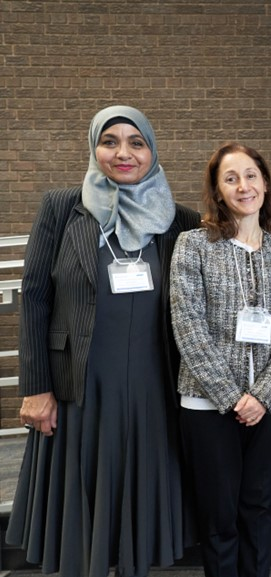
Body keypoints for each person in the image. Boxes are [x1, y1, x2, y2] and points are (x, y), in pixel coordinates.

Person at [6, 105, 200, 577]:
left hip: (154, 388)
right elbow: (33, 298)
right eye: (109, 141)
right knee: (83, 505)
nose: (123, 152)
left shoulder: (180, 220)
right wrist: (35, 387)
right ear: (94, 148)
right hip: (80, 387)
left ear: (152, 151)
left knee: (140, 498)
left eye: (137, 142)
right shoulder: (61, 206)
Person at [169, 143, 271, 577]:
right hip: (208, 407)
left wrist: (262, 395)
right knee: (220, 516)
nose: (243, 186)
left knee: (259, 509)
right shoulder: (193, 246)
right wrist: (232, 396)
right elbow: (188, 327)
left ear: (265, 182)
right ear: (217, 190)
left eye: (250, 175)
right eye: (231, 178)